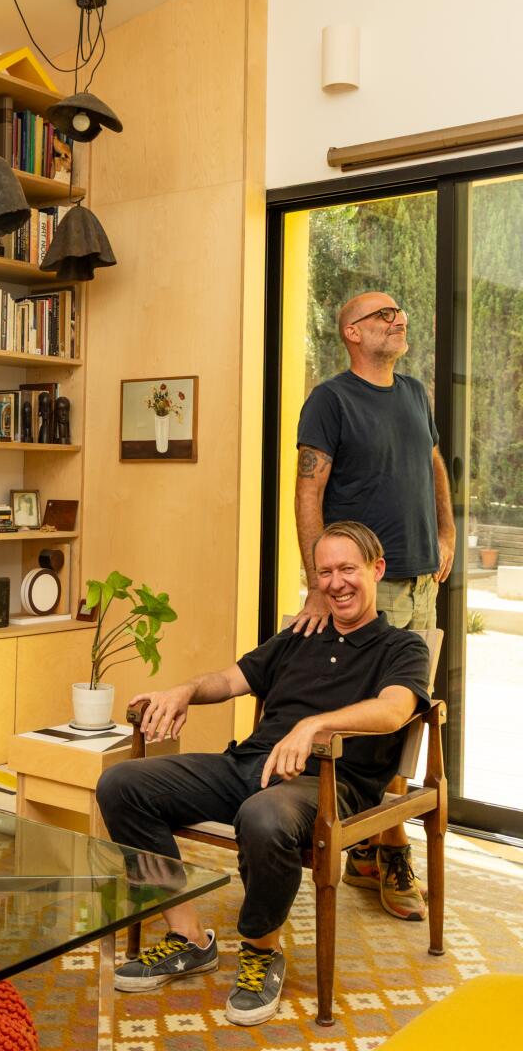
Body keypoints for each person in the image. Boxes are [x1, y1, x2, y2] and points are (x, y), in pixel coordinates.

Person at [96, 521, 430, 1028]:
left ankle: (260, 950)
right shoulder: (302, 634)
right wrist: (183, 690)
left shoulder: (401, 647)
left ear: (376, 569)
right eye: (324, 573)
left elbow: (392, 710)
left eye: (347, 569)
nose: (336, 583)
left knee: (263, 816)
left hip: (327, 784)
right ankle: (188, 939)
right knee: (122, 785)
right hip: (248, 765)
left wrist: (314, 725)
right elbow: (230, 680)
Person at [294, 291, 455, 920]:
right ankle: (388, 849)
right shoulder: (330, 400)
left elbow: (434, 464)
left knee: (409, 718)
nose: (400, 319)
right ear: (353, 332)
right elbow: (310, 489)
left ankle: (371, 850)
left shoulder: (414, 393)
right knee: (370, 720)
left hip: (420, 586)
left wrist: (445, 534)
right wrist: (315, 579)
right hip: (367, 588)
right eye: (385, 314)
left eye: (401, 312)